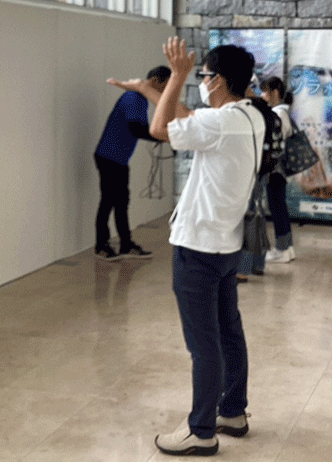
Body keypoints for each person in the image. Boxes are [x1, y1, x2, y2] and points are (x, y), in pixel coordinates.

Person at [111, 38, 260, 456]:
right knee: (228, 331)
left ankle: (201, 429)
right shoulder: (247, 116)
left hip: (198, 247)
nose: (201, 83)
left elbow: (160, 130)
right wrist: (149, 90)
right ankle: (232, 411)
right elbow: (189, 117)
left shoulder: (220, 123)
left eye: (204, 77)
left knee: (203, 343)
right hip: (225, 245)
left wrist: (175, 76)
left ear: (219, 82)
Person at [94, 65, 171, 261]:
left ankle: (126, 245)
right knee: (109, 202)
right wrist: (165, 137)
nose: (163, 93)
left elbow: (142, 128)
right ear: (155, 81)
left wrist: (163, 135)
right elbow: (136, 129)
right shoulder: (134, 98)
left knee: (121, 203)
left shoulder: (140, 99)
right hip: (109, 157)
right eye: (164, 87)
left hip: (118, 158)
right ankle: (101, 246)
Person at [261, 76, 295, 263]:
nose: (262, 95)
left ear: (274, 93)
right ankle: (287, 247)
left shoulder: (279, 113)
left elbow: (276, 140)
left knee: (277, 207)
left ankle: (282, 249)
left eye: (264, 91)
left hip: (275, 168)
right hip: (278, 168)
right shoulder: (281, 112)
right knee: (279, 206)